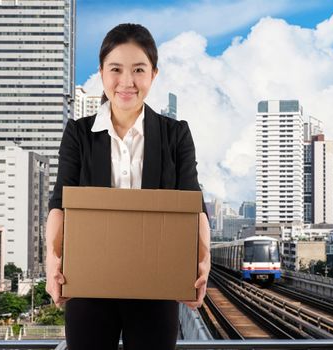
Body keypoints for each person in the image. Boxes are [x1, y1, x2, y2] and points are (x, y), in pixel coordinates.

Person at [45, 23, 211, 350]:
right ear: (102, 73)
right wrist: (53, 261)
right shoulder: (78, 133)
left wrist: (202, 261)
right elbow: (60, 203)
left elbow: (194, 205)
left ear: (153, 74)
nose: (126, 81)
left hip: (156, 286)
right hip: (89, 286)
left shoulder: (175, 134)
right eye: (116, 69)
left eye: (139, 70)